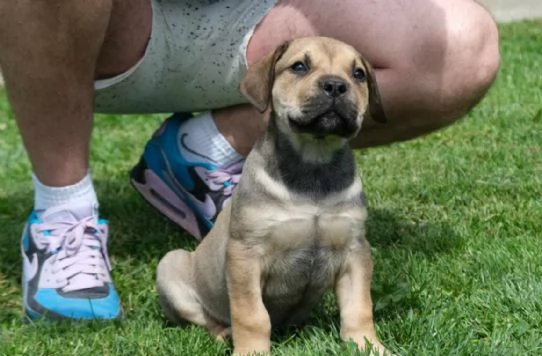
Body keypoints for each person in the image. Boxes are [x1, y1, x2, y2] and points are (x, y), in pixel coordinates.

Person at [0, 0, 500, 321]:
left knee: (463, 42)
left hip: (261, 14)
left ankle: (204, 152)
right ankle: (64, 210)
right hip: (104, 22)